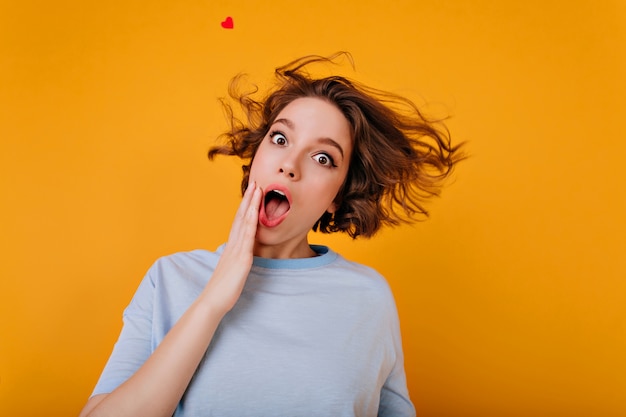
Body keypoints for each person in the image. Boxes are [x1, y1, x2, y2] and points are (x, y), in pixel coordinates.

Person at [79, 52, 463, 417]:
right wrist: (213, 301)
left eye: (323, 158)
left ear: (337, 197)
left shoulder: (368, 296)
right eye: (280, 139)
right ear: (256, 156)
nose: (289, 166)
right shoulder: (170, 279)